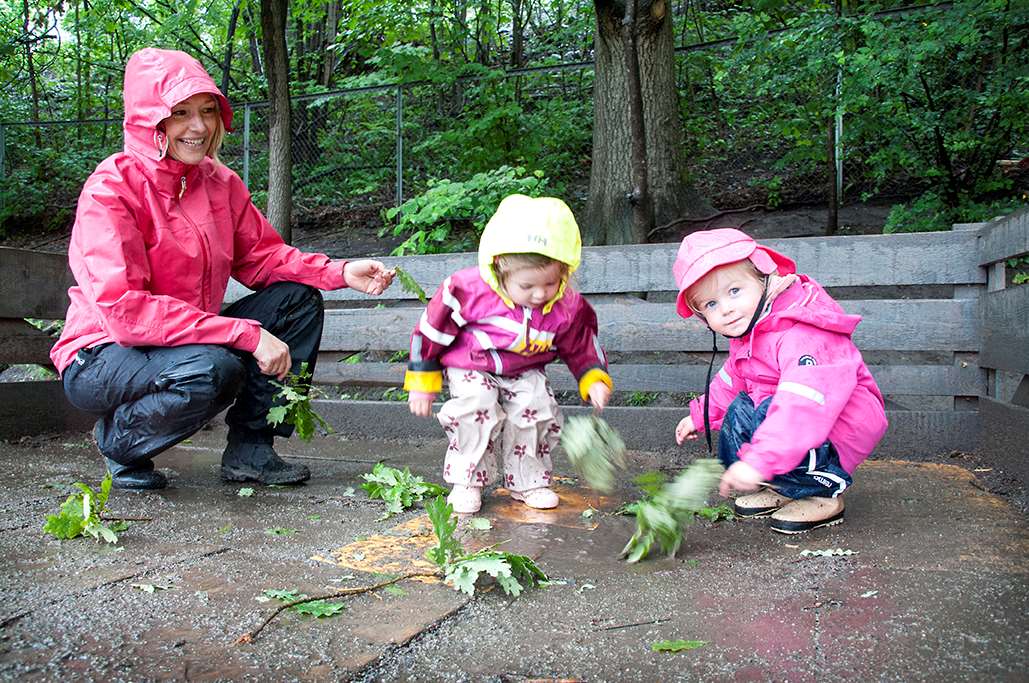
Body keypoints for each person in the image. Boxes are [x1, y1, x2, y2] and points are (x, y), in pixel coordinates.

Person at [50, 48, 394, 490]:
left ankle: (252, 451)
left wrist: (340, 272)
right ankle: (122, 440)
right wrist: (246, 334)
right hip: (102, 354)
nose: (199, 127)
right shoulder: (111, 191)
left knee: (296, 301)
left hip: (187, 342)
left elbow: (264, 258)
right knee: (212, 369)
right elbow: (126, 313)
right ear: (148, 119)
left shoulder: (220, 183)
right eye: (180, 113)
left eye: (208, 111)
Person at [404, 194, 612, 513]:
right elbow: (431, 331)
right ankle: (468, 479)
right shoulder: (467, 291)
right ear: (500, 266)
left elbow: (582, 341)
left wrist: (593, 376)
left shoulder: (565, 305)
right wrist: (422, 380)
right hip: (472, 364)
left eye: (551, 282)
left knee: (537, 406)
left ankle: (528, 480)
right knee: (476, 406)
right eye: (527, 286)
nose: (540, 294)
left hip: (525, 368)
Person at [672, 228, 888, 533]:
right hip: (788, 418)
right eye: (710, 305)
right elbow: (729, 382)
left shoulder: (801, 330)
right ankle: (784, 488)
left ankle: (822, 495)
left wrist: (761, 460)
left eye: (734, 291)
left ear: (763, 278)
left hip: (836, 424)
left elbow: (802, 405)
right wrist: (701, 416)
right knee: (741, 411)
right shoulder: (750, 333)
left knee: (772, 414)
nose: (726, 309)